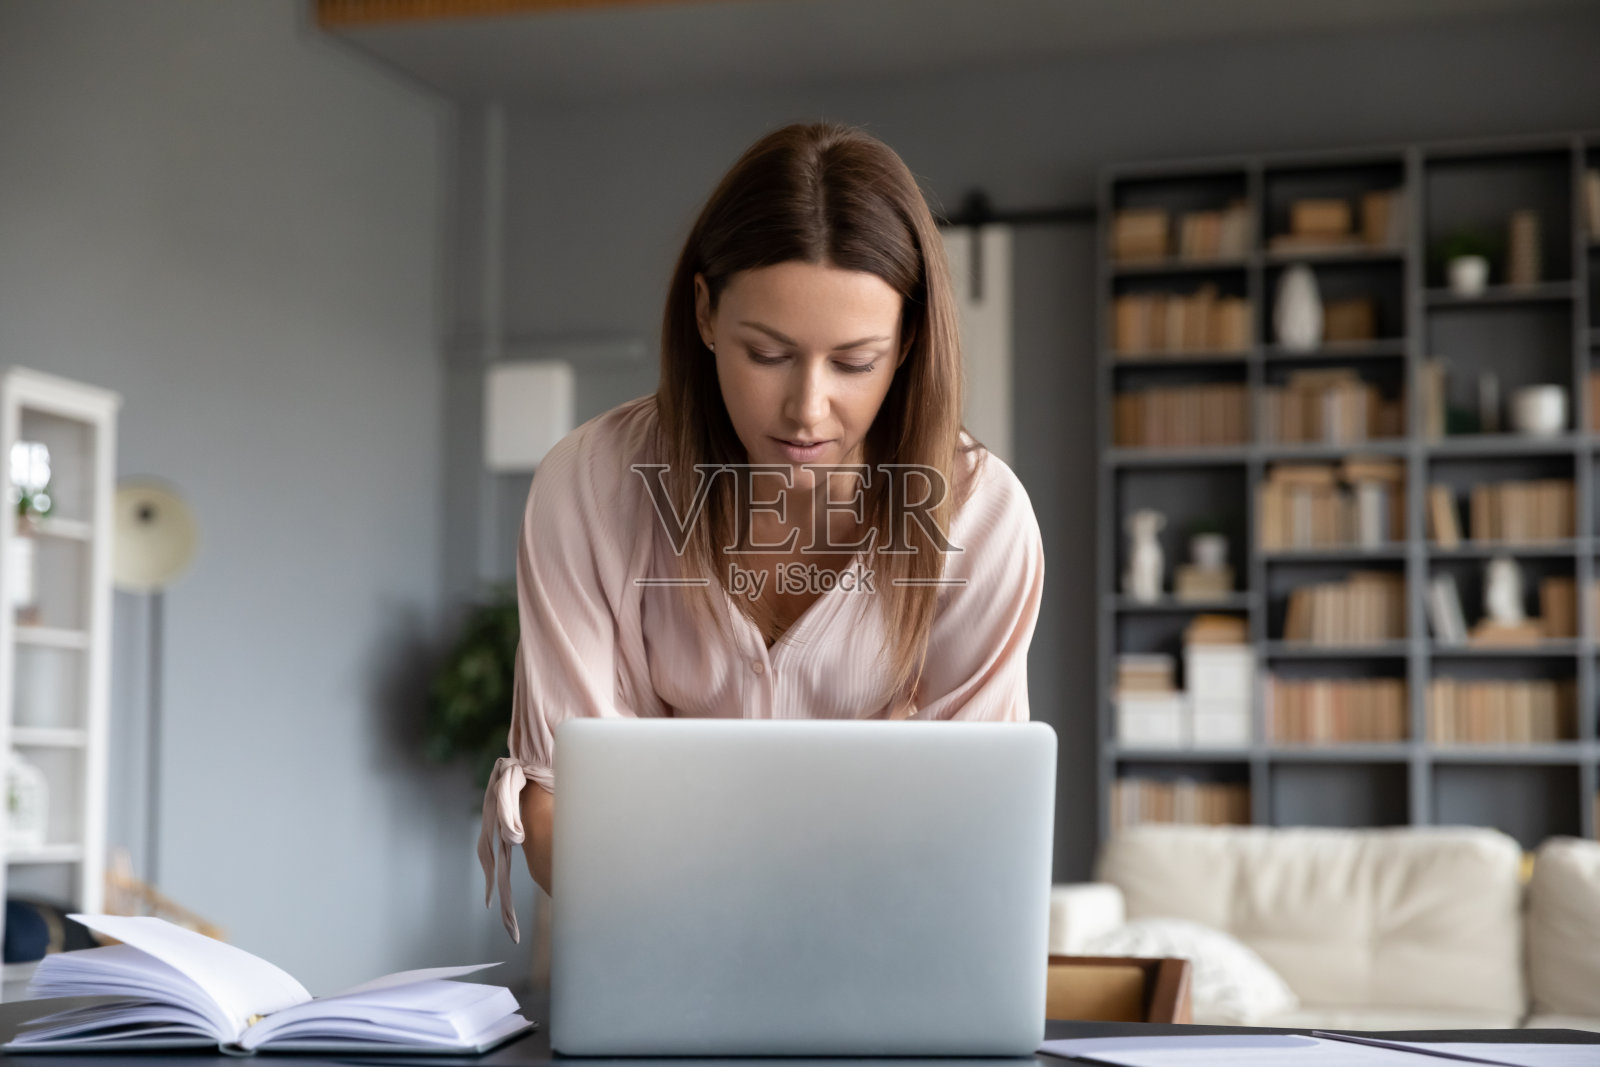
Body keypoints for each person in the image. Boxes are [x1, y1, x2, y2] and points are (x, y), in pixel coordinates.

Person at [477, 121, 1046, 943]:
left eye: (854, 362)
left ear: (909, 342)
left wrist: (677, 840)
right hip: (654, 963)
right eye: (768, 352)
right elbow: (561, 803)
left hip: (887, 970)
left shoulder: (982, 520)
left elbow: (966, 838)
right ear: (706, 312)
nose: (807, 409)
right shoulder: (590, 486)